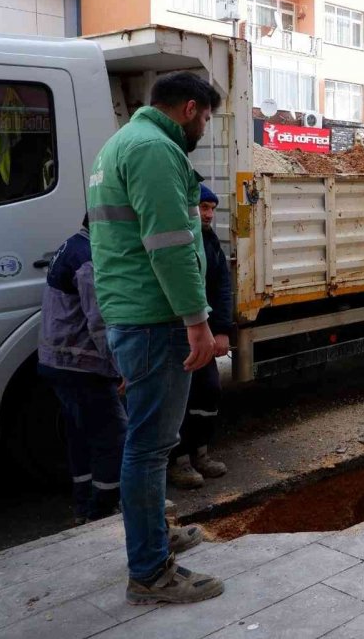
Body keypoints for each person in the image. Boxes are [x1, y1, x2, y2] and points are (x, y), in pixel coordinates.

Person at [88, 71, 225, 605]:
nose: (205, 129)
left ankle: (154, 536)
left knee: (150, 444)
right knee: (147, 449)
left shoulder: (120, 144)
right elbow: (168, 244)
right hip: (154, 319)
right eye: (208, 118)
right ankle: (149, 571)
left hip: (135, 315)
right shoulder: (154, 149)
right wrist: (197, 321)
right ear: (190, 109)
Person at [37, 215, 127, 525]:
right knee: (113, 435)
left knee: (80, 434)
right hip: (81, 366)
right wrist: (120, 368)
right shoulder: (90, 260)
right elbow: (101, 321)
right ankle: (102, 510)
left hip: (58, 362)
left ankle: (83, 504)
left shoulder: (72, 246)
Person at [168, 183, 231, 489]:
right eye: (203, 208)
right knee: (179, 397)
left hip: (203, 332)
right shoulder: (179, 239)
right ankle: (179, 462)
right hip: (178, 333)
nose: (207, 214)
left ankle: (200, 453)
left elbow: (221, 287)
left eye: (211, 209)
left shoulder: (209, 241)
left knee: (209, 390)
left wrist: (221, 330)